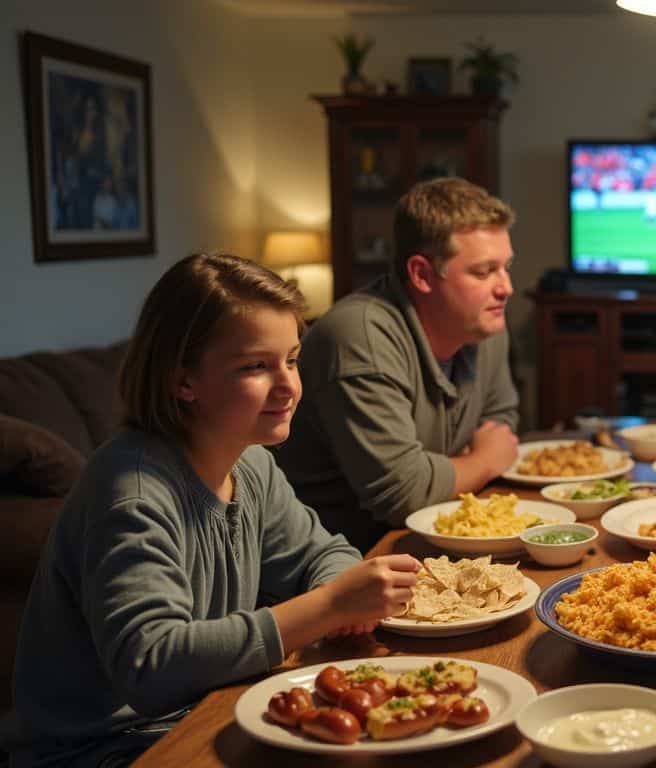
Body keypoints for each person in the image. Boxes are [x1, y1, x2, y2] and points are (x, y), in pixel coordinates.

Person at [0, 254, 420, 767]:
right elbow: (151, 666)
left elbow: (318, 554)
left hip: (204, 708)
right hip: (104, 750)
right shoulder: (132, 494)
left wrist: (346, 594)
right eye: (256, 366)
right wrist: (331, 606)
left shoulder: (251, 462)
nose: (289, 386)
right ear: (183, 381)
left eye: (291, 359)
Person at [273, 178, 520, 551]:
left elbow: (501, 422)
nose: (506, 288)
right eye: (483, 272)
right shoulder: (359, 337)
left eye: (506, 267)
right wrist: (484, 461)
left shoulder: (481, 323)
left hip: (433, 535)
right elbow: (403, 495)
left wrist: (443, 473)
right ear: (421, 274)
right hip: (342, 557)